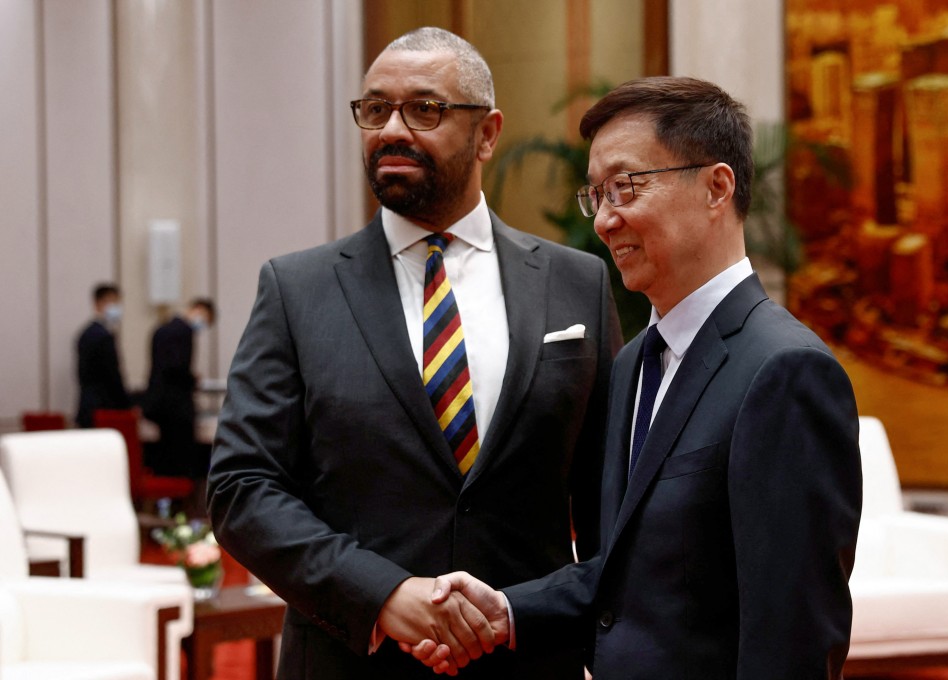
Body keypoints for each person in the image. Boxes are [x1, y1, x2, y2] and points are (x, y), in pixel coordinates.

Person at [206, 26, 622, 679]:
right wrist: (384, 595)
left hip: (531, 659)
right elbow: (241, 488)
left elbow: (609, 503)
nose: (391, 130)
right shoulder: (297, 290)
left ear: (487, 133)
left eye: (424, 109)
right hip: (351, 659)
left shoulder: (577, 284)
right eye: (375, 110)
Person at [414, 76, 863, 679]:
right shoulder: (632, 364)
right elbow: (626, 570)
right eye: (595, 195)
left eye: (624, 187)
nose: (604, 221)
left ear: (716, 187)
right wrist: (506, 609)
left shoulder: (785, 371)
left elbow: (792, 636)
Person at [143, 297, 216, 478]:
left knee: (164, 461)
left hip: (158, 404)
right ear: (198, 309)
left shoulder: (161, 329)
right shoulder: (184, 332)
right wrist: (192, 379)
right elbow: (176, 368)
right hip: (176, 408)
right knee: (182, 463)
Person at [75, 282, 131, 427]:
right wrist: (126, 404)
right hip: (103, 409)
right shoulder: (103, 336)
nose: (116, 307)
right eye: (112, 302)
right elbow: (112, 374)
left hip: (87, 406)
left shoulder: (85, 333)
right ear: (98, 303)